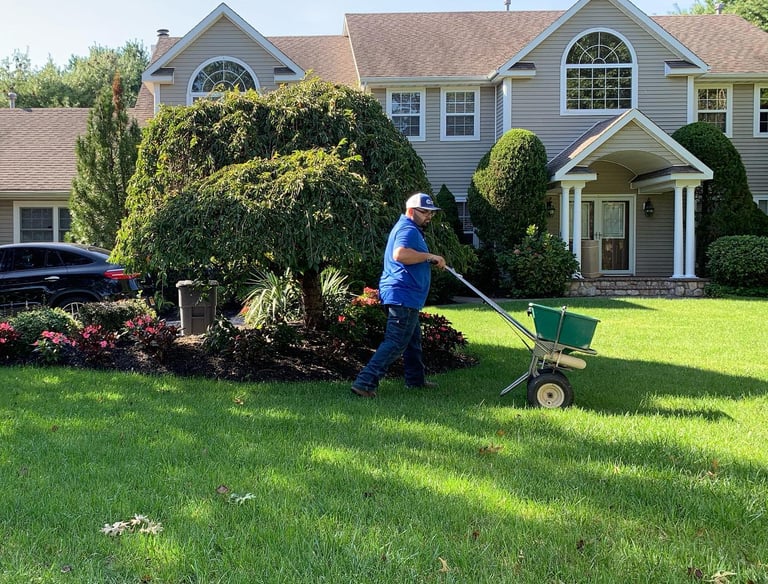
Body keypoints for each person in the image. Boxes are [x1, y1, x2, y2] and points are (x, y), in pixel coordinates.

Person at [351, 192, 446, 398]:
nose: (429, 216)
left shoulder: (411, 229)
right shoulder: (407, 229)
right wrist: (430, 256)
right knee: (395, 342)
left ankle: (415, 380)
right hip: (402, 295)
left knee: (412, 340)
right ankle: (365, 383)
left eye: (431, 213)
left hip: (404, 295)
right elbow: (400, 254)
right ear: (411, 211)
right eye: (424, 212)